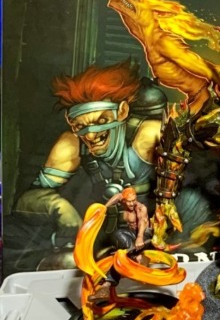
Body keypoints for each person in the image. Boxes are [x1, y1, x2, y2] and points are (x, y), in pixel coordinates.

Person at [11, 61, 165, 268]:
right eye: (81, 126)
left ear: (122, 112)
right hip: (97, 237)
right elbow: (29, 199)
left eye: (101, 121)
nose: (90, 135)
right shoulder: (71, 144)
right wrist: (58, 207)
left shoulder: (148, 135)